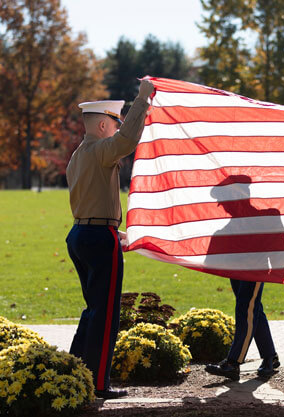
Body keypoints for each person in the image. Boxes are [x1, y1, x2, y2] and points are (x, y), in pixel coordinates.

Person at [66, 79, 155, 399]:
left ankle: (75, 372)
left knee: (93, 309)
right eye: (114, 123)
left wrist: (108, 227)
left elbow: (88, 198)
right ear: (104, 124)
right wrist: (142, 100)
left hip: (81, 232)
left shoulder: (79, 155)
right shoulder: (100, 150)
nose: (116, 128)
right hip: (97, 237)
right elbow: (128, 138)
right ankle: (99, 383)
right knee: (106, 315)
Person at [204, 175, 284, 380]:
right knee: (253, 312)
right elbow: (211, 260)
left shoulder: (266, 218)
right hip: (238, 275)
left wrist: (278, 271)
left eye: (225, 202)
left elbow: (280, 245)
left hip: (255, 272)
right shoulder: (228, 229)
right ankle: (270, 357)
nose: (224, 207)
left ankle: (233, 362)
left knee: (245, 311)